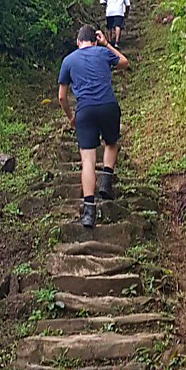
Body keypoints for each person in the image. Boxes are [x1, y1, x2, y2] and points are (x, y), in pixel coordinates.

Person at [57, 25, 130, 228]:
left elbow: (62, 97)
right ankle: (106, 180)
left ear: (78, 42)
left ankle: (89, 211)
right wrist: (107, 44)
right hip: (108, 106)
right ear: (95, 40)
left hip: (85, 111)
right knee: (111, 143)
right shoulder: (103, 52)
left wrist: (71, 117)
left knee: (88, 160)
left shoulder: (69, 60)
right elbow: (124, 63)